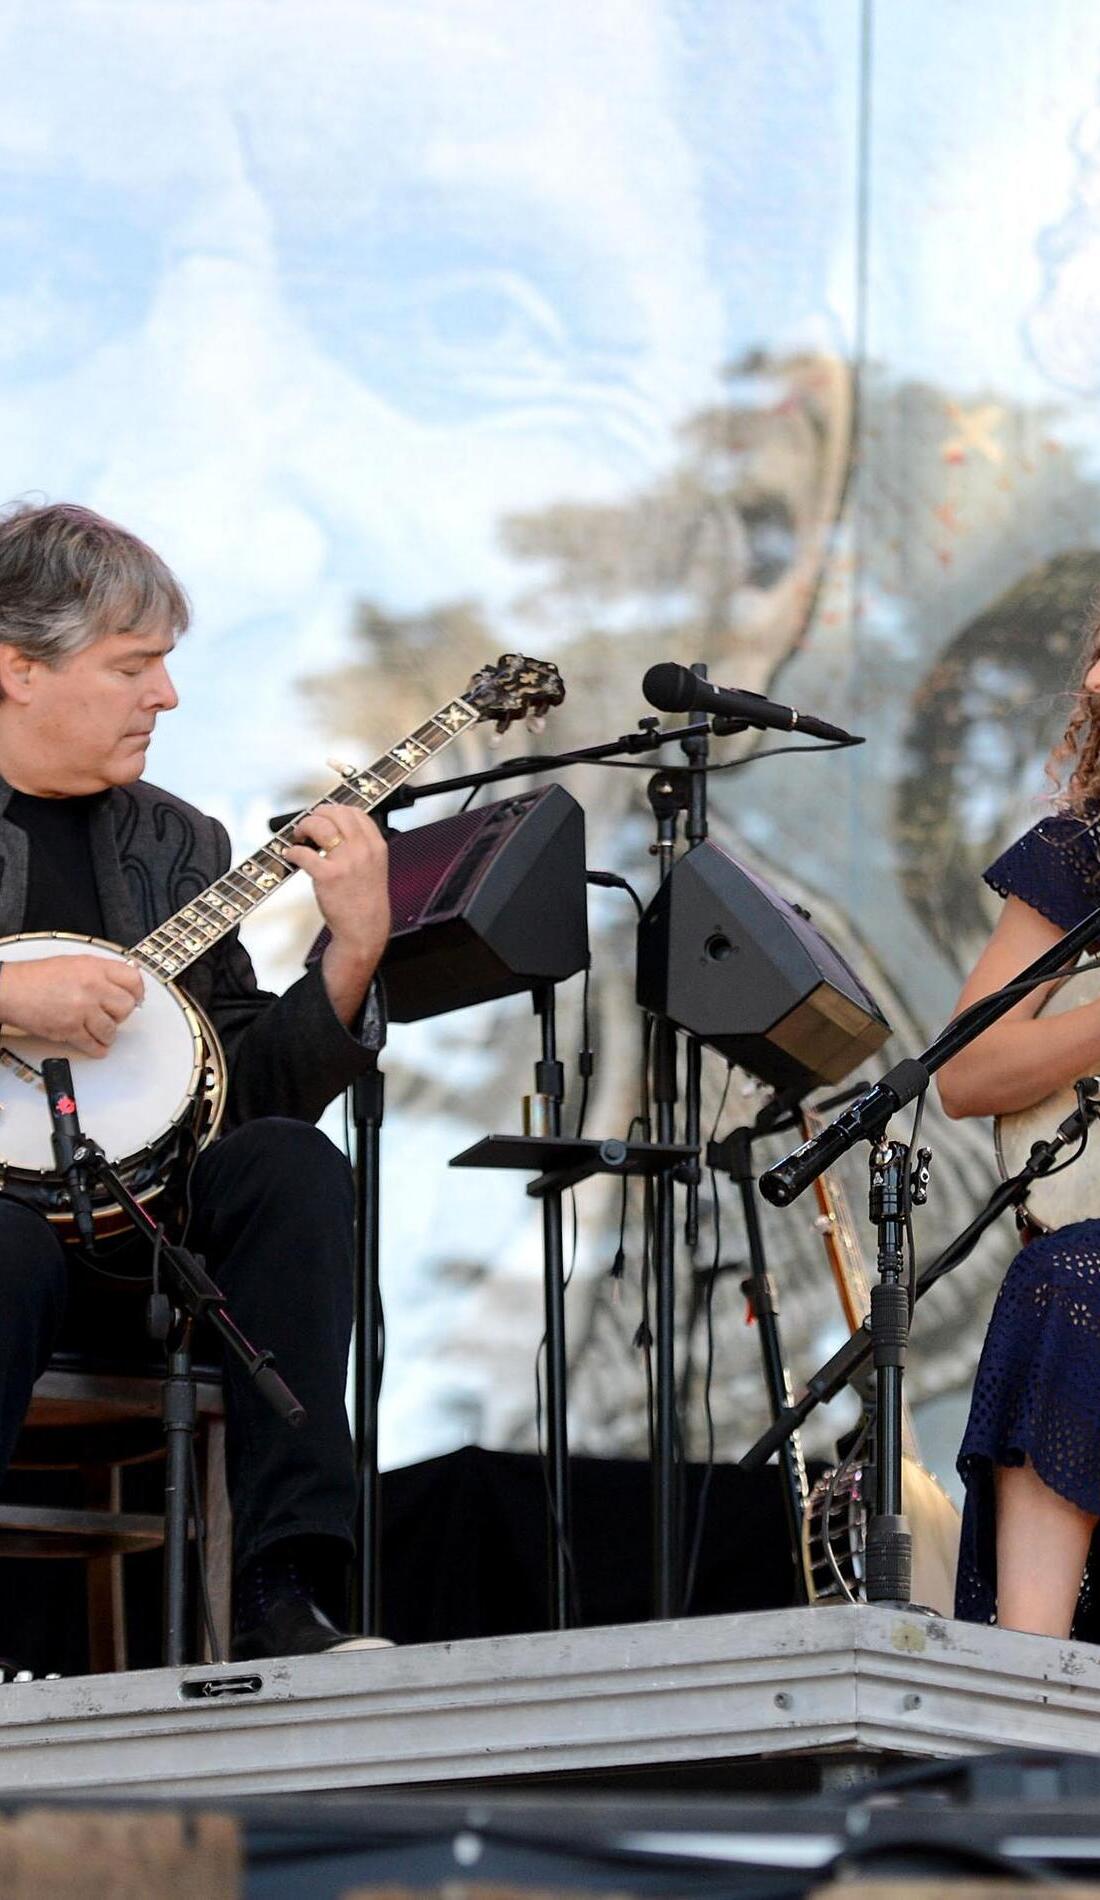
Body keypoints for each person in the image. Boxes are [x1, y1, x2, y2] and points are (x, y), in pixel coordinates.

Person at [0, 500, 392, 1662]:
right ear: (17, 668)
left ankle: (286, 1591)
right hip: (6, 1247)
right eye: (133, 666)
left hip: (141, 1244)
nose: (163, 697)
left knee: (289, 1168)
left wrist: (352, 953)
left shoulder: (176, 846)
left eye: (163, 666)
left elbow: (248, 1089)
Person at [938, 633, 1100, 1642]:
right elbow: (965, 1070)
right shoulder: (1075, 856)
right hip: (1090, 1255)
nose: (1089, 679)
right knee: (1067, 1282)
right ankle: (1030, 1693)